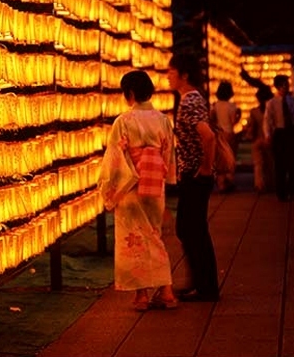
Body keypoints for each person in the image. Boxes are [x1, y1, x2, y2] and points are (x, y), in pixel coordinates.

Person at [97, 70, 178, 311]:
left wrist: (110, 189)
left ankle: (142, 295)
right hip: (154, 185)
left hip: (130, 187)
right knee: (154, 236)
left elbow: (114, 157)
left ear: (129, 93)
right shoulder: (163, 120)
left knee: (132, 241)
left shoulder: (124, 121)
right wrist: (168, 178)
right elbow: (169, 153)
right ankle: (166, 290)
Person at [167, 52, 220, 302]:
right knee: (191, 229)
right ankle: (201, 282)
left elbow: (208, 136)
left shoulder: (189, 102)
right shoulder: (194, 98)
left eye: (171, 72)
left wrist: (206, 168)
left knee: (191, 229)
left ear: (183, 75)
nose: (168, 77)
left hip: (194, 174)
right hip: (193, 172)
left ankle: (205, 286)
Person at [263, 74, 294, 201]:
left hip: (291, 132)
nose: (286, 86)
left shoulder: (291, 100)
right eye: (283, 84)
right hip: (280, 133)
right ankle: (281, 192)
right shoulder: (271, 102)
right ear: (278, 87)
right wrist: (268, 135)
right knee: (280, 164)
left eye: (287, 84)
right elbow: (267, 120)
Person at [210, 81, 241, 193]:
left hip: (219, 134)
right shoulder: (231, 106)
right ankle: (229, 181)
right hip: (229, 134)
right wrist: (239, 116)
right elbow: (233, 121)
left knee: (220, 160)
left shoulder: (215, 105)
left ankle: (221, 184)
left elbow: (212, 118)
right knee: (230, 158)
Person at [244, 86, 275, 193]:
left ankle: (259, 185)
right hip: (269, 140)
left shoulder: (254, 112)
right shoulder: (272, 111)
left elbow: (251, 126)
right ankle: (271, 184)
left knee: (258, 164)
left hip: (257, 140)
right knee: (270, 163)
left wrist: (248, 134)